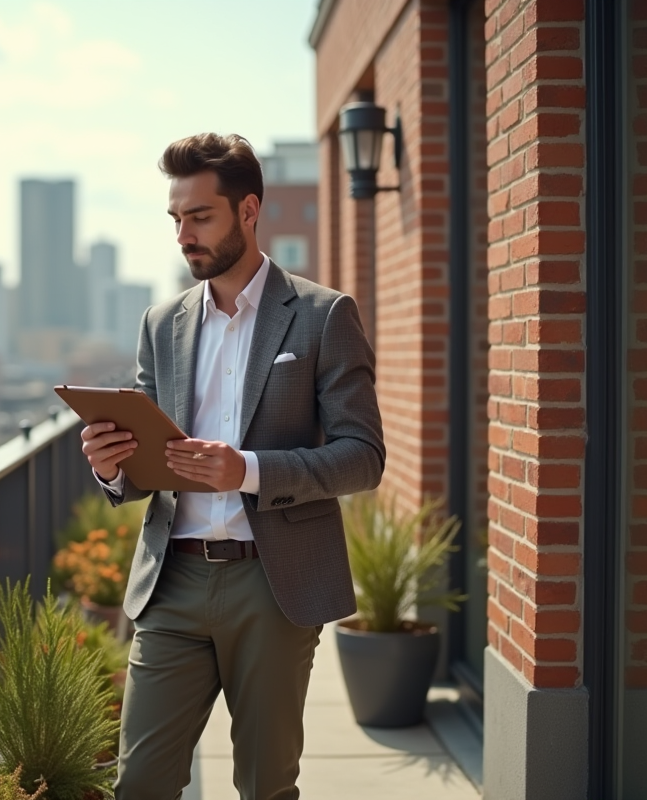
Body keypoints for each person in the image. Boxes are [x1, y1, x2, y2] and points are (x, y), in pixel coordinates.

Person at [79, 133, 385, 799]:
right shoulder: (162, 324)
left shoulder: (321, 316)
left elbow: (363, 459)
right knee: (140, 783)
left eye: (200, 217)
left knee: (264, 786)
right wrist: (112, 468)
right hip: (173, 582)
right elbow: (148, 466)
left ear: (248, 211)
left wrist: (244, 470)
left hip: (272, 587)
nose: (184, 236)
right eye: (176, 219)